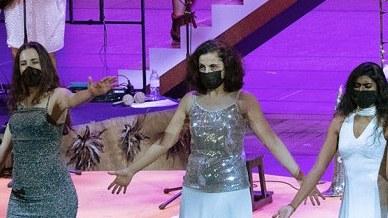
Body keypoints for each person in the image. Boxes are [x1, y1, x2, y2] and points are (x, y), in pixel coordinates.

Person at [109, 41, 308, 217]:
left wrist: (300, 176)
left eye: (213, 66)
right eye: (202, 67)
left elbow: (271, 141)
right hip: (195, 189)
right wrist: (131, 170)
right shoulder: (190, 101)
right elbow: (164, 143)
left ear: (227, 68)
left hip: (232, 191)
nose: (207, 72)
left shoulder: (244, 101)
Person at [0, 42, 119, 216]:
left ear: (44, 65)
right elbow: (5, 146)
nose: (29, 68)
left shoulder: (57, 95)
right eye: (23, 64)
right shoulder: (19, 102)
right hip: (21, 198)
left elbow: (72, 99)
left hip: (54, 197)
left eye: (34, 62)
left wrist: (91, 93)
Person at [275, 62, 388, 218]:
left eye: (367, 86)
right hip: (350, 204)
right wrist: (292, 206)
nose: (361, 90)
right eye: (357, 86)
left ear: (379, 89)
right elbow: (319, 167)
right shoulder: (339, 123)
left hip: (381, 203)